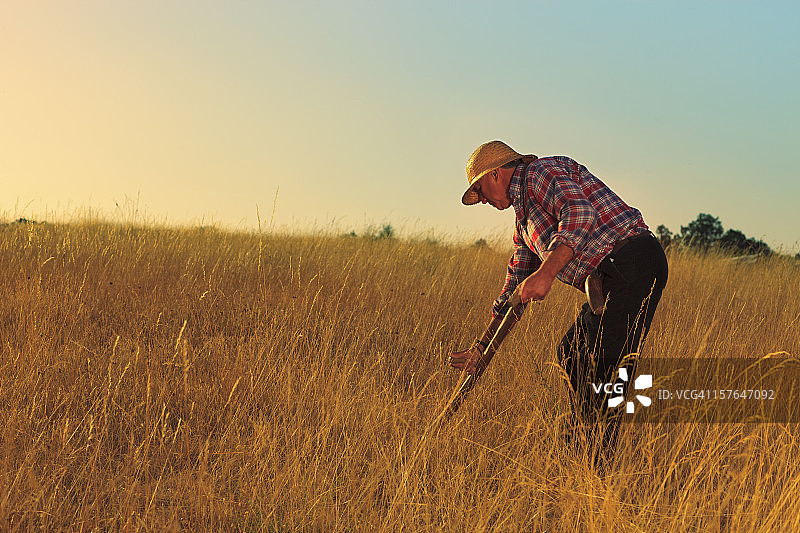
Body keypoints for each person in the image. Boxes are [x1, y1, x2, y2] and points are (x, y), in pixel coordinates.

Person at [448, 140, 668, 458]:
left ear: (495, 174)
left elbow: (580, 213)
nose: (480, 200)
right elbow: (515, 288)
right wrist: (481, 348)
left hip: (633, 261)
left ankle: (598, 460)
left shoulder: (539, 173)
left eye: (479, 190)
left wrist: (546, 273)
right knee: (571, 353)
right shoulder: (524, 224)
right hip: (607, 282)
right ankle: (587, 438)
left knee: (605, 365)